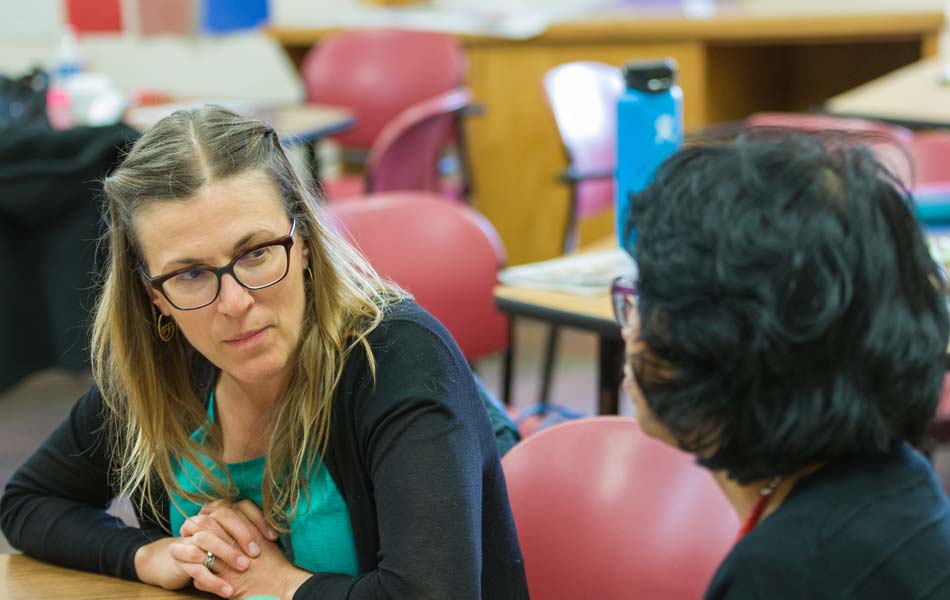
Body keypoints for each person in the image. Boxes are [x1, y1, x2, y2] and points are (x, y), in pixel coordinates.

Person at [0, 106, 527, 599]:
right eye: (190, 274)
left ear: (302, 243)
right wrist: (151, 554)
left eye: (255, 254)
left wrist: (281, 583)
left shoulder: (397, 356)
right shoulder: (161, 368)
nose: (234, 303)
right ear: (154, 296)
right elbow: (28, 502)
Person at [612, 133, 950, 599]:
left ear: (719, 350)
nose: (630, 328)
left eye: (646, 300)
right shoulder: (906, 484)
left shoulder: (779, 576)